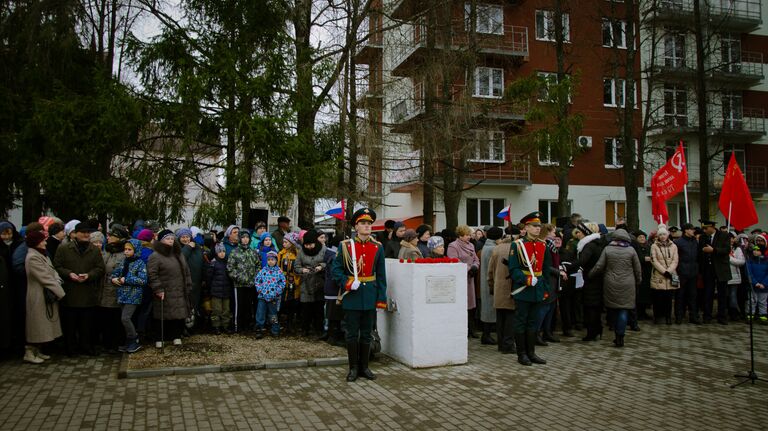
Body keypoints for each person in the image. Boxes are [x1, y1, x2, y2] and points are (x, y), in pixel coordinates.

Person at [332, 208, 387, 382]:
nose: (367, 226)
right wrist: (347, 282)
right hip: (352, 296)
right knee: (351, 334)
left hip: (370, 296)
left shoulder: (377, 247)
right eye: (363, 223)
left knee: (366, 334)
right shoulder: (346, 246)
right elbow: (336, 270)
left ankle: (364, 367)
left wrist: (381, 298)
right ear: (356, 226)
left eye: (369, 223)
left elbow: (381, 275)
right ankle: (353, 368)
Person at [508, 212, 555, 366]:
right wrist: (526, 279)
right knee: (521, 321)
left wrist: (546, 289)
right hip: (523, 289)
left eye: (538, 226)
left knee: (533, 322)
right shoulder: (517, 245)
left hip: (538, 289)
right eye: (534, 226)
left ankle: (532, 352)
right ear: (526, 227)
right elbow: (513, 269)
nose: (537, 229)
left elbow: (546, 270)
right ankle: (522, 354)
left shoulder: (543, 245)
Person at [54, 222, 105, 356]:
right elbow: (57, 267)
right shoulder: (64, 248)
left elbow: (100, 269)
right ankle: (70, 348)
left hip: (88, 293)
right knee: (70, 325)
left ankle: (87, 346)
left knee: (86, 325)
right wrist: (69, 274)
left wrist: (89, 275)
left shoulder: (94, 250)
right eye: (83, 232)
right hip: (70, 292)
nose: (86, 235)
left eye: (88, 233)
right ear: (75, 234)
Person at [589, 229, 641, 347]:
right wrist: (638, 281)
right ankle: (620, 336)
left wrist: (590, 275)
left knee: (613, 308)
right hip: (628, 283)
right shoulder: (631, 250)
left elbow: (599, 266)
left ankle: (613, 327)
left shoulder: (608, 249)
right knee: (624, 309)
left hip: (610, 282)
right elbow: (637, 269)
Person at [23, 231, 66, 364]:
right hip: (38, 295)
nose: (45, 242)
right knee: (36, 325)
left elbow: (52, 272)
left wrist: (57, 280)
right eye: (42, 240)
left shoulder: (42, 254)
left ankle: (37, 350)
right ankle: (29, 352)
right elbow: (44, 277)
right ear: (36, 242)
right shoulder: (32, 257)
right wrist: (61, 292)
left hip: (46, 294)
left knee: (43, 325)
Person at [148, 230, 192, 347]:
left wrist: (188, 284)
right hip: (164, 290)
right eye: (167, 239)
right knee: (162, 315)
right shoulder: (155, 255)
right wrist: (158, 289)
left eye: (172, 239)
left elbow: (186, 271)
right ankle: (160, 338)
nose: (170, 241)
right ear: (161, 241)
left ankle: (176, 336)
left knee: (177, 314)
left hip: (179, 289)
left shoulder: (179, 254)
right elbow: (152, 274)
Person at [111, 239, 147, 353]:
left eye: (129, 249)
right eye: (125, 249)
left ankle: (134, 339)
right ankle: (129, 341)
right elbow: (115, 273)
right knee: (125, 319)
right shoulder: (124, 262)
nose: (126, 252)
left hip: (133, 295)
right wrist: (113, 278)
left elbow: (143, 280)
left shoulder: (140, 263)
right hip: (122, 294)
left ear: (135, 250)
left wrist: (127, 279)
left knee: (125, 318)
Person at [97, 227, 128, 352]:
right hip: (103, 290)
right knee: (105, 318)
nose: (107, 237)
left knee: (116, 318)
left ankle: (116, 343)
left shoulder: (123, 253)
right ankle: (107, 343)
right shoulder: (107, 250)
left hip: (117, 290)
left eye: (111, 235)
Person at [447, 225, 481, 339]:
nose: (469, 237)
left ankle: (471, 329)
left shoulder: (471, 245)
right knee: (462, 304)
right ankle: (463, 329)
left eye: (469, 235)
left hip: (470, 278)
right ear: (460, 235)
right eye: (467, 235)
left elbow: (476, 259)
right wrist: (468, 268)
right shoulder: (453, 246)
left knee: (471, 305)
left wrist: (475, 267)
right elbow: (454, 260)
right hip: (460, 279)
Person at [488, 226, 516, 354]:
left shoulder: (497, 248)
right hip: (512, 287)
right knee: (510, 318)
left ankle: (501, 344)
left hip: (498, 287)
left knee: (500, 318)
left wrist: (491, 285)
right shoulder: (517, 248)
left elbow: (490, 271)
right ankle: (508, 345)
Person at [294, 230, 327, 337]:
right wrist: (302, 270)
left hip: (319, 282)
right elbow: (296, 266)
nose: (308, 247)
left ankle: (319, 330)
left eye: (311, 244)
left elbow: (329, 262)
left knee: (319, 309)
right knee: (306, 309)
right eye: (306, 245)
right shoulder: (301, 252)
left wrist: (321, 266)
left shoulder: (323, 249)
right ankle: (305, 329)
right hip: (306, 283)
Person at [698, 219, 731, 324]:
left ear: (712, 227)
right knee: (708, 293)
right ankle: (707, 316)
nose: (704, 230)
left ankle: (722, 316)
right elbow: (700, 250)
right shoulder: (703, 237)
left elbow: (726, 250)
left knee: (722, 294)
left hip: (721, 268)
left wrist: (714, 250)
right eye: (703, 228)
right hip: (708, 269)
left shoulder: (724, 235)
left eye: (706, 228)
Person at [228, 230, 260, 333]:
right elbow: (230, 268)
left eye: (247, 237)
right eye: (243, 237)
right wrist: (238, 277)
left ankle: (247, 325)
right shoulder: (235, 252)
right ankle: (237, 326)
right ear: (240, 239)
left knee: (248, 306)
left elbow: (258, 266)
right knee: (239, 306)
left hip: (250, 285)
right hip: (239, 285)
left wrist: (255, 277)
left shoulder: (253, 252)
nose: (245, 239)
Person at [577, 222, 604, 341]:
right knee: (596, 307)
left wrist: (567, 267)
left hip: (591, 280)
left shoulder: (589, 246)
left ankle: (592, 332)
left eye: (579, 232)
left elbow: (582, 261)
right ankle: (597, 329)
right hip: (598, 279)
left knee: (590, 307)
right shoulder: (597, 244)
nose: (577, 235)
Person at [650, 225, 679, 325]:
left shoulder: (673, 246)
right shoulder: (654, 246)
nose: (662, 236)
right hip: (659, 274)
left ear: (667, 235)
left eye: (664, 234)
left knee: (669, 298)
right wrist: (664, 271)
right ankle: (658, 316)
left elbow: (675, 260)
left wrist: (669, 271)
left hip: (670, 274)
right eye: (660, 234)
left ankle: (668, 317)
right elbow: (654, 260)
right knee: (658, 298)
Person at [479, 227, 502, 345]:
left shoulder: (486, 247)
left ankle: (486, 334)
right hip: (491, 283)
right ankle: (486, 335)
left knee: (488, 309)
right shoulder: (493, 248)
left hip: (486, 282)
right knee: (489, 310)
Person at [254, 251, 285, 338]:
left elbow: (282, 283)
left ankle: (275, 330)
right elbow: (257, 281)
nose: (270, 261)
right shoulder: (263, 271)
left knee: (273, 315)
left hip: (273, 298)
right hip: (262, 297)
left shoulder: (279, 272)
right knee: (260, 314)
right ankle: (259, 330)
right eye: (269, 260)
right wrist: (260, 290)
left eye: (272, 259)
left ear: (276, 261)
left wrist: (276, 292)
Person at [674, 223, 700, 324]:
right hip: (682, 272)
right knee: (680, 295)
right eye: (691, 229)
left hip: (693, 272)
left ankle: (693, 316)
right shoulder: (678, 242)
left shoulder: (694, 241)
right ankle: (679, 316)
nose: (693, 231)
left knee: (693, 295)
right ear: (686, 230)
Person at [178, 227, 205, 328]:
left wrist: (204, 278)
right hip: (183, 282)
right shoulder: (178, 248)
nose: (185, 239)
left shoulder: (197, 248)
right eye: (183, 237)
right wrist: (188, 247)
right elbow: (181, 258)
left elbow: (202, 263)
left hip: (196, 282)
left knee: (194, 305)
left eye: (187, 237)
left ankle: (193, 327)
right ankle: (182, 327)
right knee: (184, 306)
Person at [277, 233, 301, 334]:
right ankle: (277, 325)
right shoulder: (281, 254)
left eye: (286, 242)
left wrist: (297, 280)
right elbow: (277, 267)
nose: (284, 244)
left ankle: (290, 325)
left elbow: (299, 268)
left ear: (292, 243)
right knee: (281, 303)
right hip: (283, 282)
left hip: (294, 283)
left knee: (292, 304)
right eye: (283, 242)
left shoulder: (297, 254)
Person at [207, 243, 232, 335]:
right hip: (216, 291)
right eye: (220, 252)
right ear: (216, 253)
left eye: (223, 251)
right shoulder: (213, 263)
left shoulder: (228, 262)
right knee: (216, 310)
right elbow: (209, 278)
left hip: (226, 291)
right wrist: (211, 289)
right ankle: (216, 326)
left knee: (226, 310)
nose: (222, 253)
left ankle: (225, 326)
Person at [746, 236, 768, 322]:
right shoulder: (750, 260)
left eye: (758, 250)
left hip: (764, 286)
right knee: (751, 301)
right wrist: (755, 282)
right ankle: (750, 314)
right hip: (753, 285)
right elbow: (748, 272)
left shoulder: (766, 260)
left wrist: (764, 283)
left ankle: (763, 315)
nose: (756, 252)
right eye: (754, 250)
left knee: (763, 301)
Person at [633, 230, 653, 322]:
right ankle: (639, 312)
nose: (642, 239)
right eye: (640, 237)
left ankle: (643, 311)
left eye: (643, 237)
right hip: (639, 272)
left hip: (647, 273)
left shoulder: (649, 247)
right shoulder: (635, 247)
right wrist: (644, 259)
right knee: (639, 294)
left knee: (646, 293)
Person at [727, 232, 746, 321]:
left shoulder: (737, 249)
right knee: (725, 296)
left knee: (733, 295)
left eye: (732, 238)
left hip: (734, 276)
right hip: (724, 275)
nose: (731, 240)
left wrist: (730, 259)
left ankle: (734, 313)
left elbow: (741, 262)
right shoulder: (723, 248)